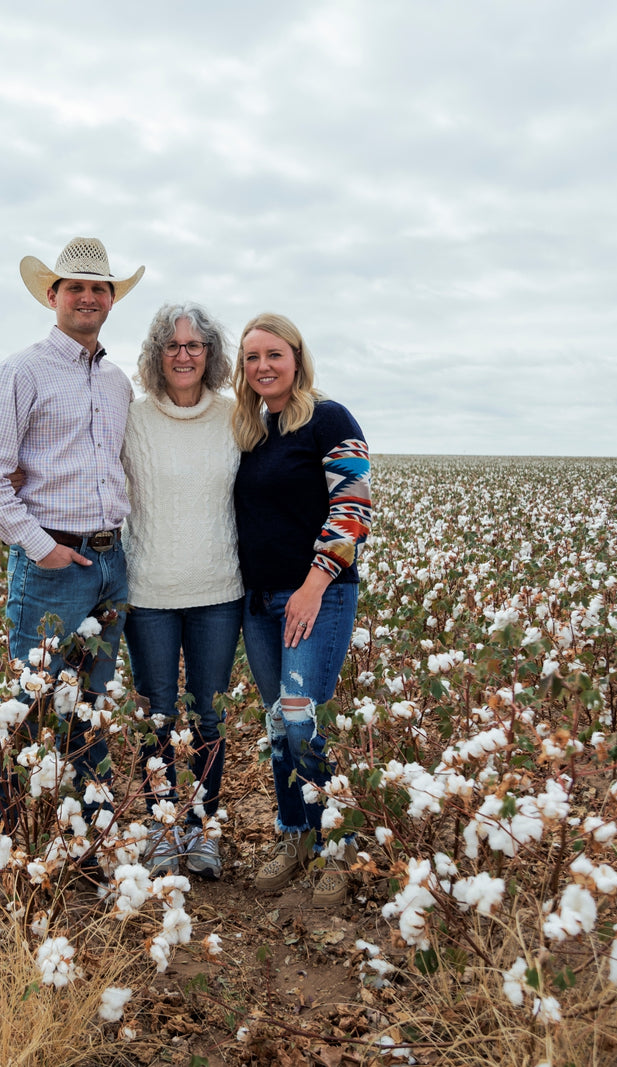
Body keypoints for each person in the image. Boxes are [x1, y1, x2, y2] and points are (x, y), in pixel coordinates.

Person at [0, 236, 145, 889]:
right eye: (76, 287)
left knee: (88, 707)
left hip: (109, 562)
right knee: (28, 704)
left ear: (111, 299)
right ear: (53, 295)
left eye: (101, 288)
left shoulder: (119, 382)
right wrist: (42, 546)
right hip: (51, 562)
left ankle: (86, 844)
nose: (90, 297)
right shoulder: (22, 372)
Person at [230, 312, 372, 906]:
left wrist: (314, 584)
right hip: (259, 600)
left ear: (297, 358)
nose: (262, 366)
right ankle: (296, 835)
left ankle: (337, 845)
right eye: (251, 358)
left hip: (315, 594)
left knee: (303, 716)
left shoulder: (328, 418)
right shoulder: (253, 430)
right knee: (277, 722)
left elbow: (353, 506)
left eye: (273, 355)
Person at [120, 304, 243, 880]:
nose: (184, 355)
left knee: (210, 718)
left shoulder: (236, 416)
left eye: (195, 346)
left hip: (220, 591)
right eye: (172, 345)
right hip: (148, 593)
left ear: (211, 354)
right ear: (155, 355)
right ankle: (162, 828)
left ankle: (204, 828)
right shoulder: (133, 419)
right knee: (158, 717)